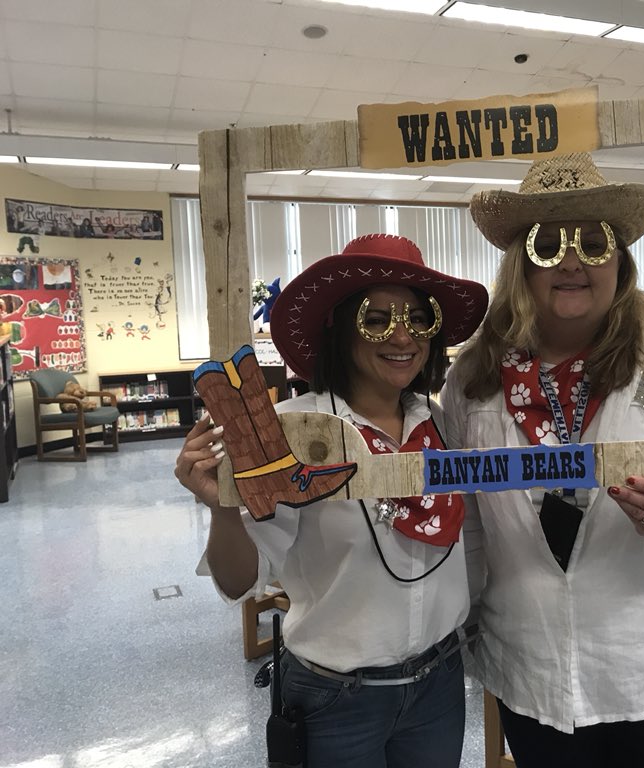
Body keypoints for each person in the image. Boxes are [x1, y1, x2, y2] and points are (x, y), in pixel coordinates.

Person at [441, 153, 644, 768]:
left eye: (593, 244)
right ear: (519, 265)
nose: (571, 262)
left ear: (621, 260)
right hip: (532, 667)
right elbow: (471, 526)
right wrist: (461, 625)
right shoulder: (475, 376)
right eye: (547, 246)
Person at [174, 234, 488, 768]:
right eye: (376, 319)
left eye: (418, 318)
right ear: (341, 330)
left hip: (439, 684)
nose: (401, 336)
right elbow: (238, 581)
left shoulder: (446, 425)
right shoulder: (295, 434)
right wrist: (222, 506)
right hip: (336, 696)